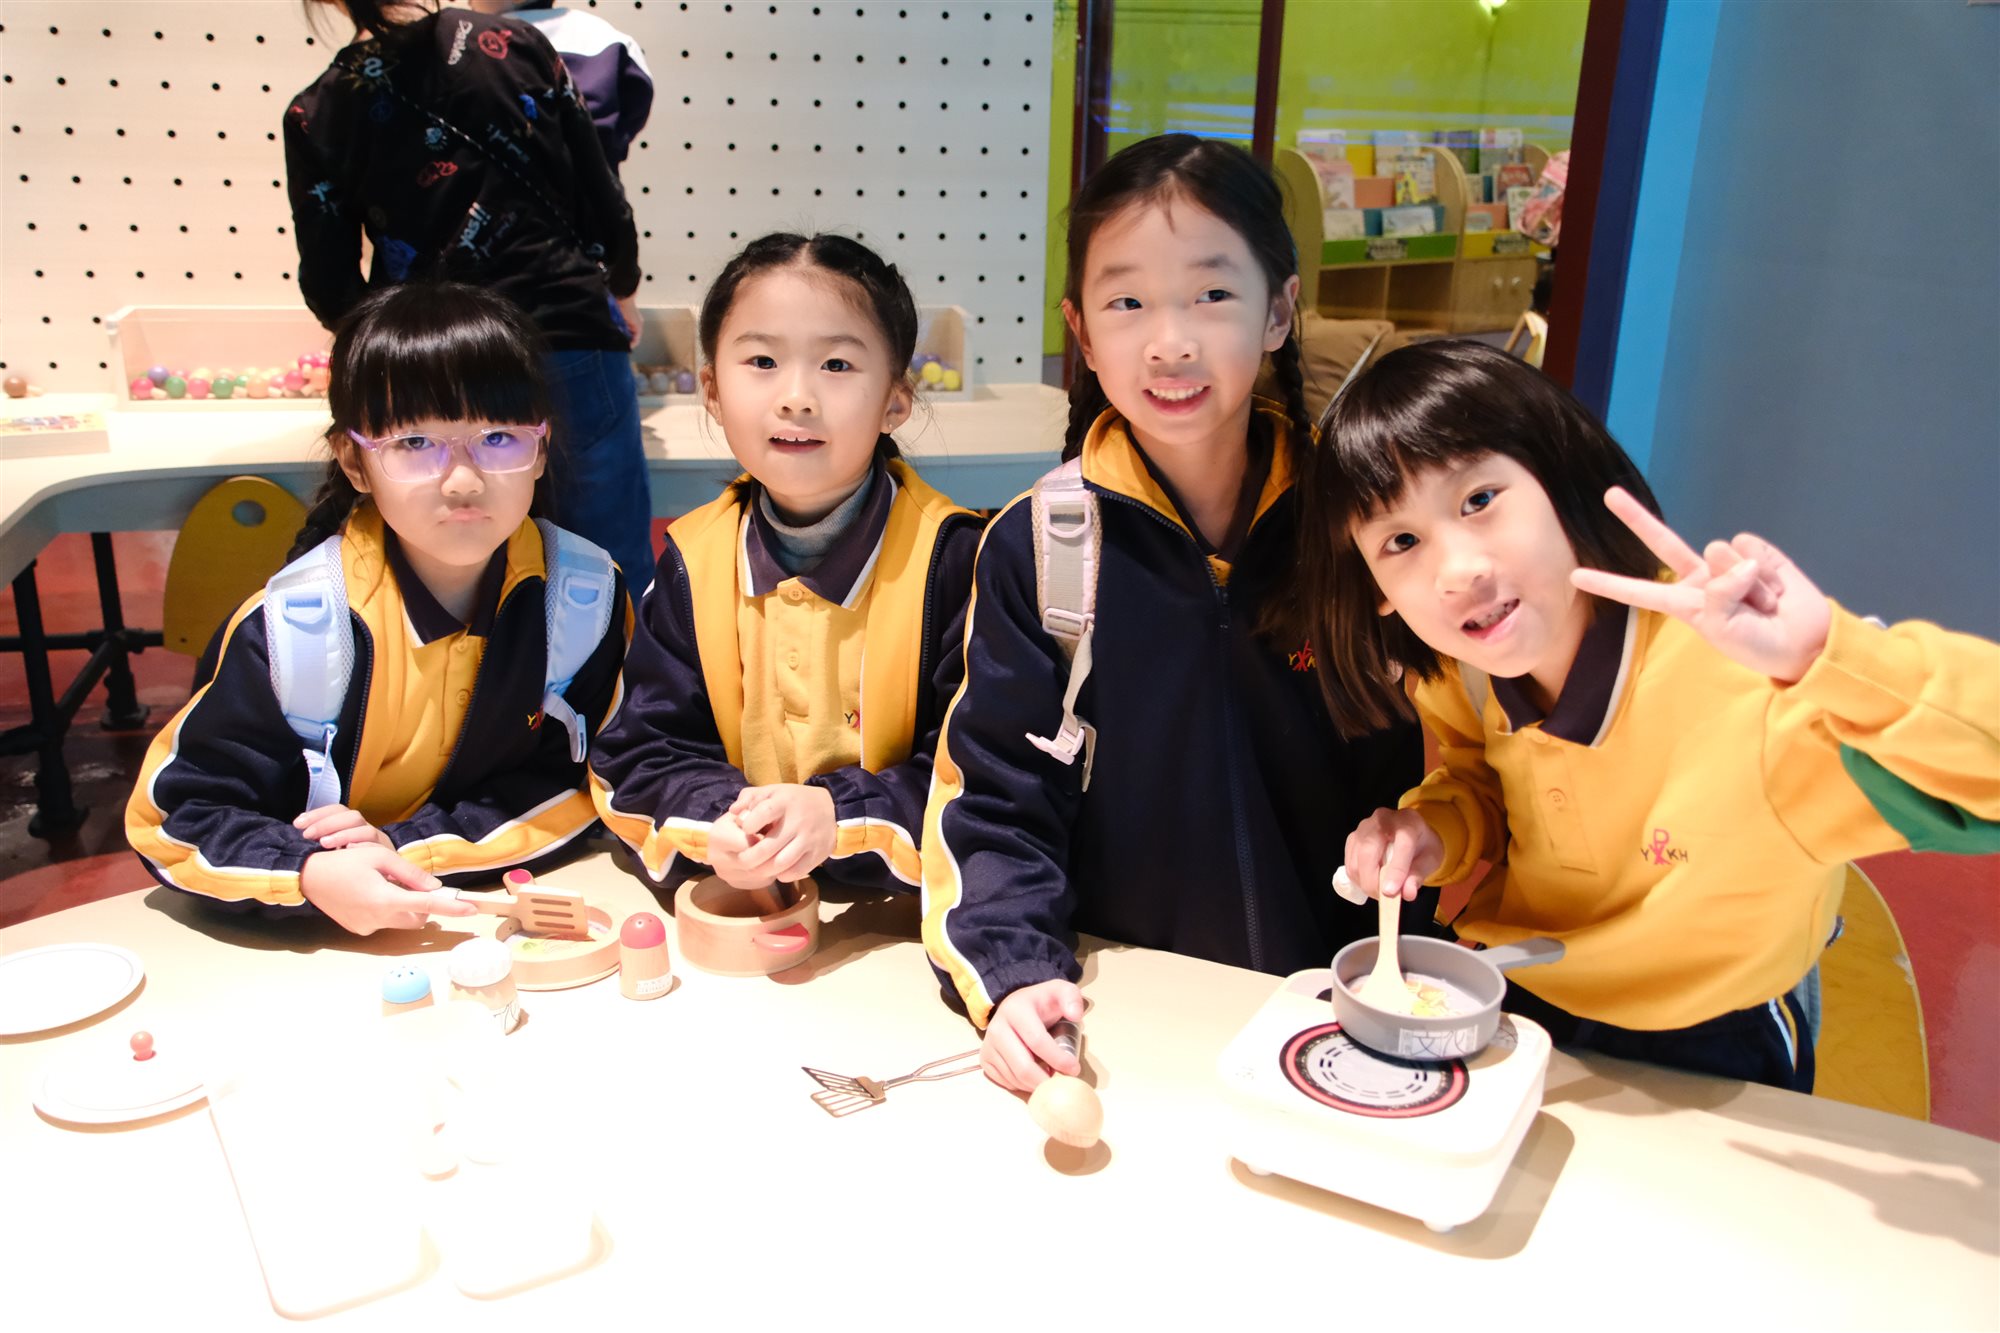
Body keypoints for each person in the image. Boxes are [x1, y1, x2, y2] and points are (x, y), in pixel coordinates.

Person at [1302, 339, 2000, 1090]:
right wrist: (1431, 829)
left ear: (1561, 478)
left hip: (1711, 1036)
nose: (1458, 572)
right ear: (1376, 589)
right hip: (1524, 998)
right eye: (1402, 541)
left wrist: (1829, 657)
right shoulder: (1464, 679)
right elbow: (1488, 786)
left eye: (1479, 500)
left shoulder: (1746, 689)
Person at [922, 134, 1423, 1092]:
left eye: (1212, 294)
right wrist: (1014, 973)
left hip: (1355, 1014)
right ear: (1081, 331)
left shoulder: (1369, 525)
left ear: (1279, 310)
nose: (1170, 342)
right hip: (1132, 1016)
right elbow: (997, 800)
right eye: (1128, 304)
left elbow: (1449, 760)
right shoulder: (1044, 548)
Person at [127, 282, 634, 936]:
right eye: (415, 443)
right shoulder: (292, 632)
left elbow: (592, 776)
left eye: (498, 436)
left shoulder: (585, 598)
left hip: (494, 923)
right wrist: (308, 871)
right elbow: (175, 817)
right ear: (356, 462)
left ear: (540, 447)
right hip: (320, 937)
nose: (463, 480)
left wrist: (405, 846)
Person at [589, 234, 981, 896]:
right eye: (763, 361)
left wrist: (840, 814)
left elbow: (985, 772)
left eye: (836, 364)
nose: (796, 397)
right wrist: (718, 820)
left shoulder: (957, 560)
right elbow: (639, 754)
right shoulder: (693, 561)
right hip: (745, 907)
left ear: (895, 400)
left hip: (906, 921)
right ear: (712, 390)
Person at [284, 0, 655, 589]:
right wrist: (622, 289)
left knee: (456, 568)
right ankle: (612, 655)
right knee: (608, 561)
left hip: (431, 362)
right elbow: (600, 193)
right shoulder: (513, 45)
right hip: (569, 332)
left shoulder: (317, 109)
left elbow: (330, 284)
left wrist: (382, 356)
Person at [466, 1, 654, 173]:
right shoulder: (607, 38)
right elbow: (634, 109)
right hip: (590, 189)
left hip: (493, 188)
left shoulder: (465, 41)